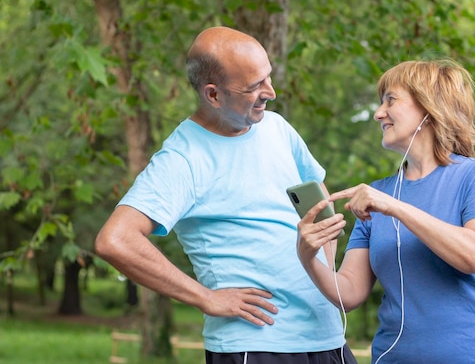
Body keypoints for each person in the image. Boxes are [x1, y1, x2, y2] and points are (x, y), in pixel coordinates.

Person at [95, 26, 357, 364]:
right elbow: (115, 240)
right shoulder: (182, 159)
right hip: (256, 344)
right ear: (213, 95)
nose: (271, 92)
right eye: (254, 87)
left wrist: (326, 260)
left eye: (268, 76)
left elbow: (317, 192)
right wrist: (206, 298)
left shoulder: (277, 128)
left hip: (327, 336)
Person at [296, 59, 475, 363]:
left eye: (391, 100)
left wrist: (393, 206)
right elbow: (348, 293)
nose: (379, 113)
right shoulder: (376, 195)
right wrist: (307, 257)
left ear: (430, 108)